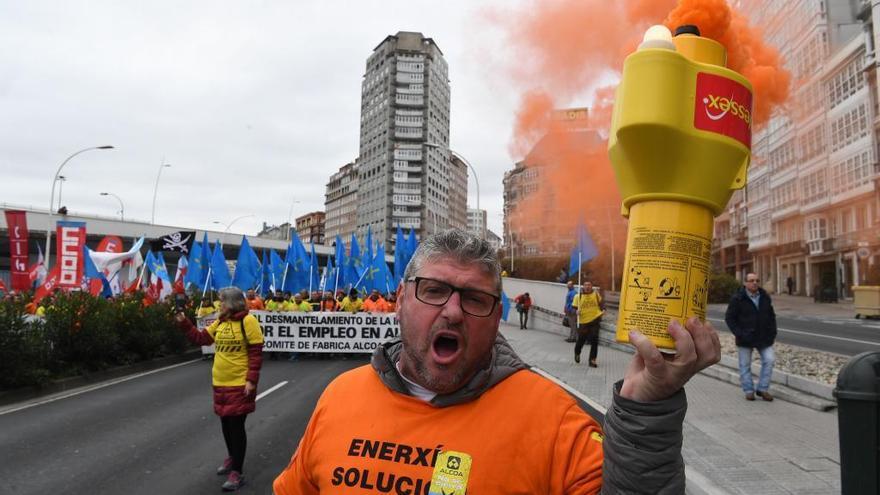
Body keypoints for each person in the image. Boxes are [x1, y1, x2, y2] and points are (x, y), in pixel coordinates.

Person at [273, 229, 720, 493]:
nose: (451, 311)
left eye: (474, 298)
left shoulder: (553, 419)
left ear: (498, 317)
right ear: (399, 301)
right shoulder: (340, 396)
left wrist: (647, 416)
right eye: (433, 290)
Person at [175, 287, 264, 491]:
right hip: (220, 382)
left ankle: (237, 473)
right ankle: (232, 458)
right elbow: (202, 339)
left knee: (236, 426)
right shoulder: (221, 321)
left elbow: (256, 353)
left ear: (233, 303)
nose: (220, 305)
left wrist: (251, 380)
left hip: (239, 383)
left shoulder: (248, 321)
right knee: (225, 423)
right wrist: (184, 322)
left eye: (223, 301)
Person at [725, 273, 777, 402]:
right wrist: (739, 333)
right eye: (751, 280)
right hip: (745, 338)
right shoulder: (738, 298)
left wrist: (772, 332)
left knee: (769, 360)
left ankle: (762, 389)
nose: (755, 283)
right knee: (745, 365)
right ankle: (748, 390)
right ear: (745, 283)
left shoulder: (765, 297)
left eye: (757, 280)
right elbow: (730, 318)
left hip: (764, 337)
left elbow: (771, 316)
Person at [572, 281, 604, 367]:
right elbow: (573, 308)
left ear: (592, 286)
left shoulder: (596, 294)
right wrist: (576, 311)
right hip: (583, 322)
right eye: (585, 285)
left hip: (595, 320)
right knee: (581, 340)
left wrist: (603, 310)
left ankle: (592, 360)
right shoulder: (578, 296)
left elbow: (601, 304)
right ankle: (577, 352)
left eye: (589, 285)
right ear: (583, 286)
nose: (587, 286)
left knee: (594, 341)